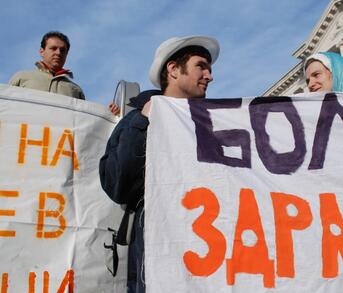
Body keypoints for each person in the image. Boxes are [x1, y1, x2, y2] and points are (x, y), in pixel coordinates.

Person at [99, 35, 219, 293]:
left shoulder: (213, 124)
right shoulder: (135, 120)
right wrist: (143, 123)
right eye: (201, 66)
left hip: (208, 256)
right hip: (155, 249)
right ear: (174, 70)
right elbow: (118, 184)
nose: (209, 76)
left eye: (209, 69)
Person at [9, 31, 120, 115]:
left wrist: (107, 115)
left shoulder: (75, 89)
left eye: (63, 50)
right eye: (53, 48)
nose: (58, 53)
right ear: (41, 51)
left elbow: (85, 123)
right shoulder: (22, 77)